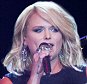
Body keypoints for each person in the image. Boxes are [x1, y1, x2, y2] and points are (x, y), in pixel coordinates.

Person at [0, 1, 87, 84]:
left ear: (62, 36)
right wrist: (35, 77)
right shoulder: (9, 81)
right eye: (38, 30)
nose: (47, 36)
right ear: (24, 39)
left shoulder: (84, 75)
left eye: (54, 29)